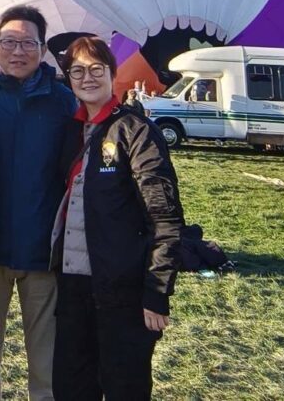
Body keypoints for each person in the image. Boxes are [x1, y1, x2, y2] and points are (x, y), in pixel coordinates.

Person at [51, 34, 184, 401]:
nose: (87, 77)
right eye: (77, 70)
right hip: (72, 286)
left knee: (124, 386)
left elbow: (166, 216)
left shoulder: (136, 131)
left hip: (121, 289)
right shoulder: (71, 131)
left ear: (112, 74)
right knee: (71, 386)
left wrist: (157, 291)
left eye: (96, 69)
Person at [0, 5, 75, 401]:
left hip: (42, 254)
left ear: (42, 49)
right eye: (9, 41)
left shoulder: (64, 103)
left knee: (47, 364)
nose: (18, 51)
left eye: (28, 43)